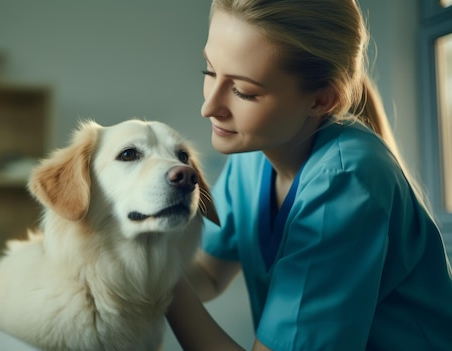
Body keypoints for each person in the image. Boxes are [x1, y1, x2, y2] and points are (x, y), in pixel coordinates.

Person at [166, 0, 452, 350]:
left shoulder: (347, 183)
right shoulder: (253, 155)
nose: (208, 107)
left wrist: (162, 284)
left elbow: (181, 289)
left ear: (321, 100)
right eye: (209, 72)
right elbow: (209, 274)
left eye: (244, 91)